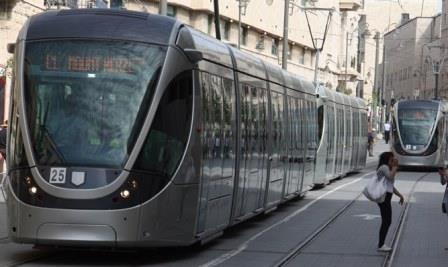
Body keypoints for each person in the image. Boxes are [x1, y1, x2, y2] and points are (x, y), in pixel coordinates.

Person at [376, 152, 404, 252]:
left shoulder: (386, 168)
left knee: (387, 221)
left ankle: (381, 243)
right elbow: (390, 177)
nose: (393, 161)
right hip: (383, 198)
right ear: (388, 159)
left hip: (386, 197)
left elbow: (390, 185)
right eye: (392, 159)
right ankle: (381, 244)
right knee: (386, 221)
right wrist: (395, 167)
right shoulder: (384, 167)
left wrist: (400, 195)